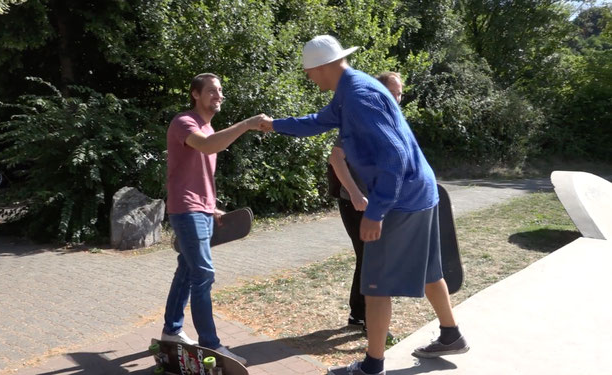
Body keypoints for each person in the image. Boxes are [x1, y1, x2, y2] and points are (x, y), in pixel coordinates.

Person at [259, 36, 468, 375]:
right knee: (430, 271)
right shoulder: (351, 89)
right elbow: (318, 121)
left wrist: (375, 212)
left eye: (310, 73)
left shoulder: (358, 97)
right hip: (418, 191)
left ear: (324, 67)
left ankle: (372, 367)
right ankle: (451, 335)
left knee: (375, 285)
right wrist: (274, 124)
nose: (310, 79)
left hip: (400, 199)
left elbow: (394, 157)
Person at [163, 72, 266, 365]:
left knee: (187, 268)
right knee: (203, 274)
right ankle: (210, 344)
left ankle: (172, 330)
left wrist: (212, 206)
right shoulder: (184, 123)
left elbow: (201, 174)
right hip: (186, 209)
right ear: (195, 94)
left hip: (203, 209)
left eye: (221, 90)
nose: (218, 95)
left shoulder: (210, 128)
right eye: (212, 91)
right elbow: (208, 146)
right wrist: (247, 124)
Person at [328, 72, 404, 331]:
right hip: (355, 203)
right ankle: (369, 319)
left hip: (378, 204)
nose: (397, 98)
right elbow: (336, 158)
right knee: (373, 258)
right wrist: (356, 193)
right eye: (392, 92)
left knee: (369, 258)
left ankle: (358, 314)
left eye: (400, 93)